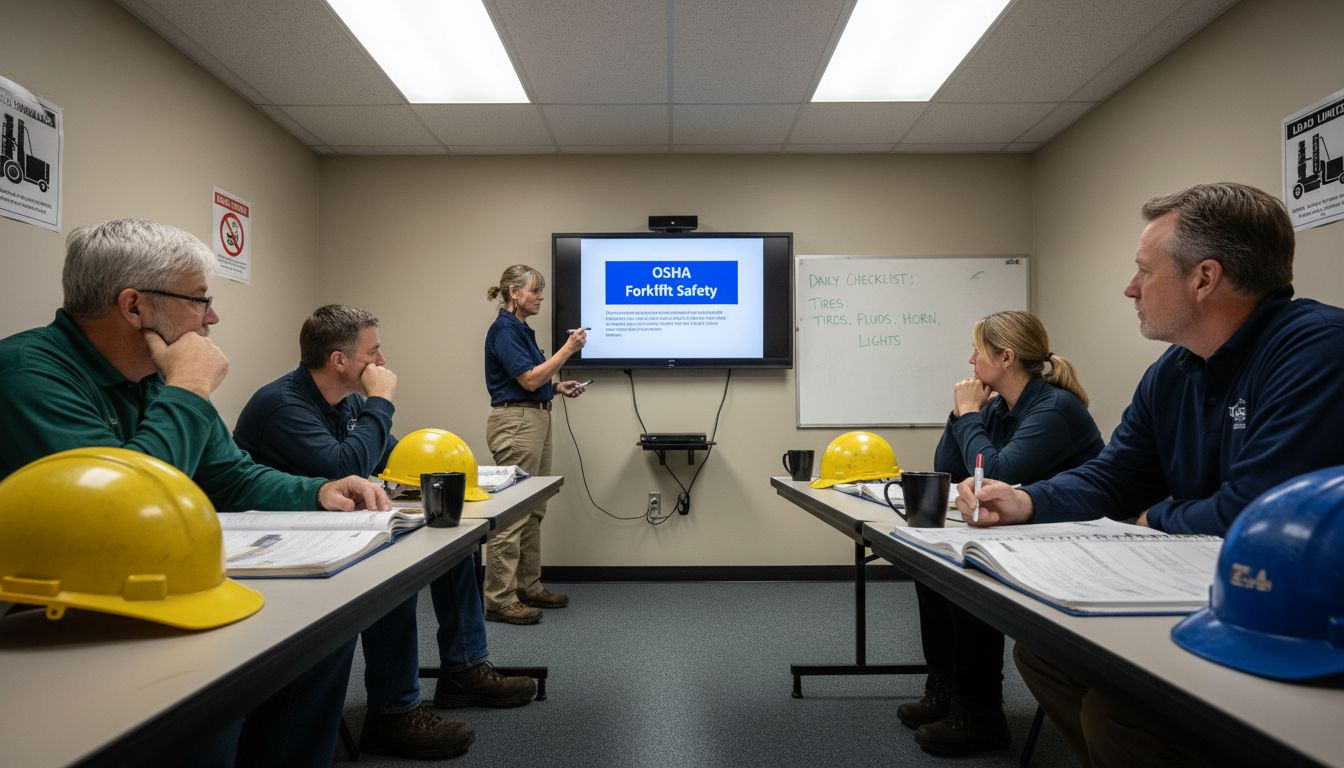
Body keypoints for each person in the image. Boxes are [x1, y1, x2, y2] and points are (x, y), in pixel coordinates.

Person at [962, 182, 1344, 767]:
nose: (1130, 287)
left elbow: (1255, 510)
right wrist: (1025, 500)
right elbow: (1114, 476)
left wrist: (1155, 516)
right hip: (1195, 581)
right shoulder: (1175, 370)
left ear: (1204, 278)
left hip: (1298, 613)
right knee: (1043, 653)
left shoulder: (1317, 349)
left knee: (1117, 718)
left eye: (1144, 270)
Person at [0, 218, 390, 768]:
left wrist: (320, 490)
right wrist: (189, 387)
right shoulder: (26, 375)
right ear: (134, 307)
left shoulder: (153, 378)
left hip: (141, 585)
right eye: (199, 300)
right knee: (208, 695)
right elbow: (119, 511)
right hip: (53, 613)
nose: (212, 317)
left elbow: (232, 476)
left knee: (324, 634)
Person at [234, 304, 536, 760]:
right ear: (339, 361)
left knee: (447, 543)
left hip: (321, 533)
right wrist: (382, 402)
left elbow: (389, 462)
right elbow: (345, 466)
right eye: (373, 352)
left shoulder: (348, 403)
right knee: (393, 575)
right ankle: (394, 713)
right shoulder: (282, 404)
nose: (382, 361)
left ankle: (465, 670)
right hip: (268, 547)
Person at [903, 310, 1103, 757]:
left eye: (978, 350)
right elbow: (951, 470)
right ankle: (945, 692)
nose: (971, 360)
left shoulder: (1055, 408)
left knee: (968, 576)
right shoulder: (999, 407)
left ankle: (979, 714)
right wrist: (962, 417)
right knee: (931, 565)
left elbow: (994, 474)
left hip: (1078, 540)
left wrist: (970, 412)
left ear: (1006, 356)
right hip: (1026, 532)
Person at [482, 265, 587, 624]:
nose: (541, 296)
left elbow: (534, 380)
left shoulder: (520, 330)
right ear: (513, 292)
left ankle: (527, 586)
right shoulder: (504, 330)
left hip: (534, 417)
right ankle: (498, 598)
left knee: (534, 508)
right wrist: (567, 350)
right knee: (512, 512)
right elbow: (527, 380)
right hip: (517, 423)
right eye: (534, 290)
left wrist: (556, 387)